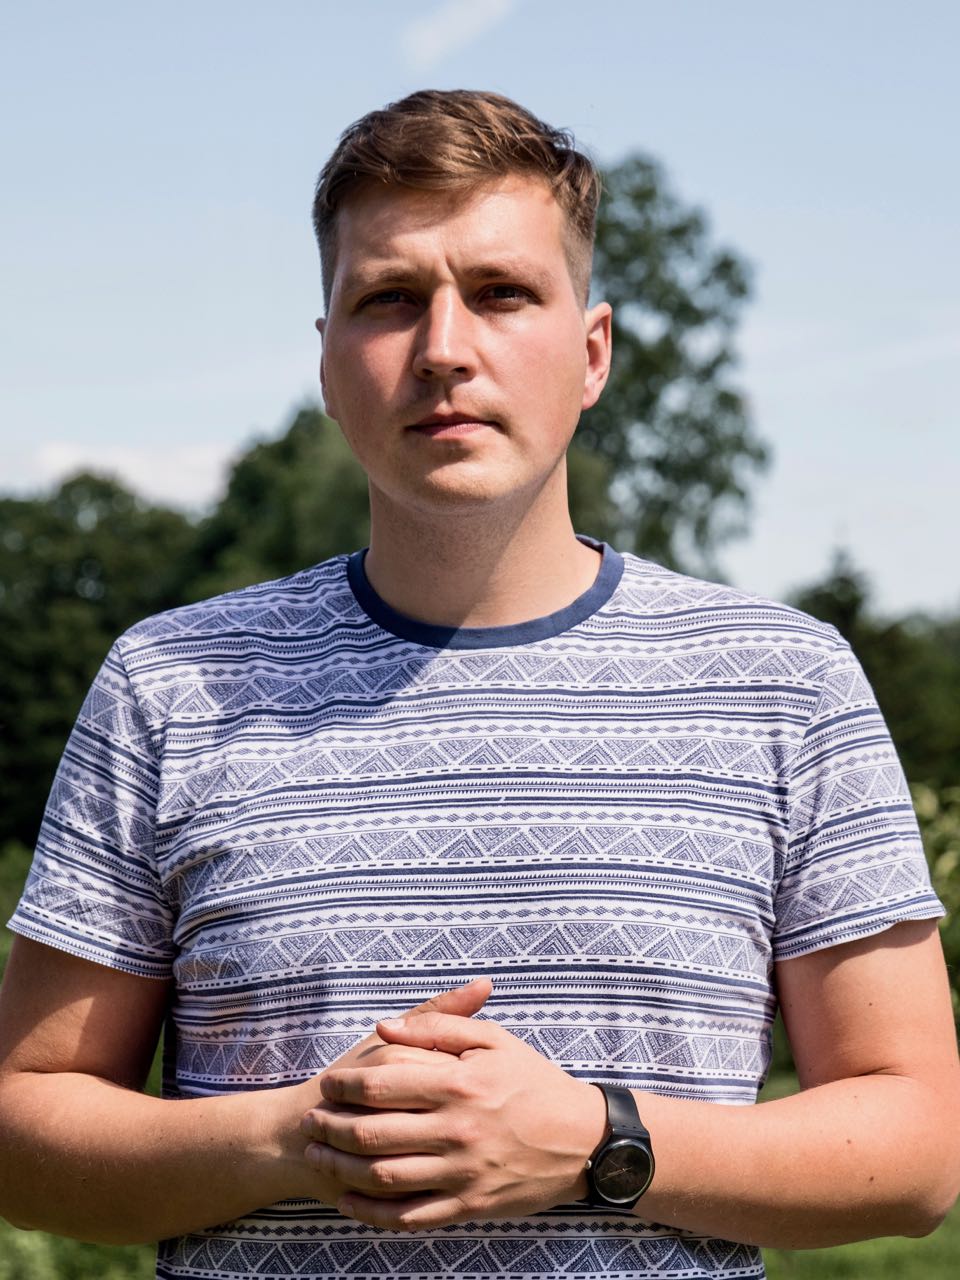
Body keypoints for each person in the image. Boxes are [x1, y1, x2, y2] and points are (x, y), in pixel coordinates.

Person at [1, 88, 958, 1280]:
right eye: (390, 298)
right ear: (328, 361)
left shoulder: (784, 683)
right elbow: (25, 1135)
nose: (445, 347)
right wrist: (300, 1137)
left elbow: (919, 1148)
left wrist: (596, 1140)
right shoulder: (172, 684)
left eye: (502, 292)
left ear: (593, 351)